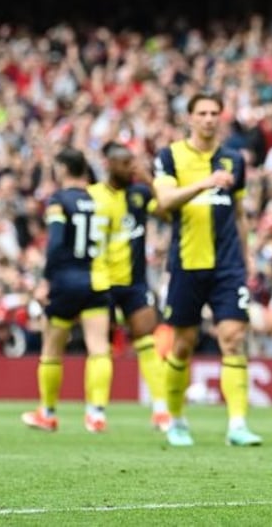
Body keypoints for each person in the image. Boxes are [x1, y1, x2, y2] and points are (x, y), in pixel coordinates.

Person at [153, 93, 262, 447]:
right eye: (202, 113)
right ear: (189, 118)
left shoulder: (233, 160)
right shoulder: (169, 156)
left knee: (233, 338)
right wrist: (204, 183)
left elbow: (240, 213)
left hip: (228, 265)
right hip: (187, 263)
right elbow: (165, 201)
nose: (209, 119)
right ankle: (176, 419)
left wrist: (247, 257)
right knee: (182, 346)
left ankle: (237, 425)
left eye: (215, 112)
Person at [21, 148, 113, 433]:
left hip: (65, 280)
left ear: (61, 169)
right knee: (99, 347)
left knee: (52, 348)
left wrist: (46, 279)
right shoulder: (100, 199)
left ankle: (47, 413)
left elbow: (56, 242)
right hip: (96, 280)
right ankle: (96, 414)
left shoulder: (59, 201)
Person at [89, 142, 170, 431]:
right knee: (101, 346)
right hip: (102, 282)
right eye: (126, 164)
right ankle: (96, 411)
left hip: (135, 283)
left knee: (147, 341)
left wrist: (149, 179)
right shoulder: (93, 197)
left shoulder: (139, 194)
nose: (131, 168)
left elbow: (167, 211)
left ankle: (160, 409)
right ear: (109, 164)